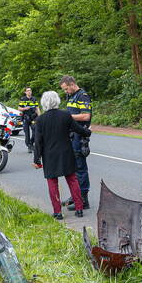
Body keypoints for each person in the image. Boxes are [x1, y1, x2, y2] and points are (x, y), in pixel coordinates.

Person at [32, 90, 91, 218]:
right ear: (57, 101)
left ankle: (57, 212)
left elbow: (38, 142)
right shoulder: (65, 115)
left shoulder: (40, 120)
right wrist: (88, 132)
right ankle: (79, 209)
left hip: (49, 155)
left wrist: (37, 159)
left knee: (52, 183)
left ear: (44, 103)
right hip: (66, 152)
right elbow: (78, 129)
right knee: (73, 180)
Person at [59, 75, 92, 210]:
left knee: (80, 166)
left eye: (66, 88)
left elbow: (86, 116)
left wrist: (67, 117)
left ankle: (83, 199)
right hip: (71, 135)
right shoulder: (71, 96)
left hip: (80, 135)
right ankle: (75, 195)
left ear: (72, 84)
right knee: (73, 167)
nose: (65, 91)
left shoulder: (82, 96)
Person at [18, 87, 39, 152]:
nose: (29, 91)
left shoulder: (34, 99)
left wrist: (40, 116)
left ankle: (31, 143)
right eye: (28, 91)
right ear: (25, 92)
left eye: (30, 90)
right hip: (26, 118)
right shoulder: (23, 99)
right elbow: (19, 108)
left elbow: (37, 108)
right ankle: (29, 146)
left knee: (35, 131)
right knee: (27, 134)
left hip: (33, 118)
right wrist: (25, 108)